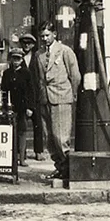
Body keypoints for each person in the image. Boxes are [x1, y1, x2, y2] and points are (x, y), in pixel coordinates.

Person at [35, 21, 81, 181]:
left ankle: (69, 170)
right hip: (45, 99)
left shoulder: (65, 51)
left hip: (61, 98)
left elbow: (75, 76)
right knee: (49, 138)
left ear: (55, 34)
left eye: (47, 35)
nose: (45, 39)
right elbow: (40, 78)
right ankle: (60, 168)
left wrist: (72, 94)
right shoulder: (39, 55)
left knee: (61, 137)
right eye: (42, 36)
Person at [1, 47, 34, 166]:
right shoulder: (7, 73)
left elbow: (31, 91)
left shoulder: (26, 73)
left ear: (22, 60)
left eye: (18, 59)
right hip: (10, 107)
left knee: (22, 131)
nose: (16, 61)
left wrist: (30, 107)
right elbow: (3, 90)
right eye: (14, 59)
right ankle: (12, 157)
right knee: (10, 131)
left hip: (22, 107)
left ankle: (22, 157)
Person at [20, 32, 45, 160]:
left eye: (29, 43)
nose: (26, 45)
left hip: (35, 95)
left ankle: (39, 151)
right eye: (24, 43)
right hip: (22, 97)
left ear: (33, 45)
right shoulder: (18, 58)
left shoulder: (37, 58)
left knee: (38, 125)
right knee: (22, 125)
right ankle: (21, 152)